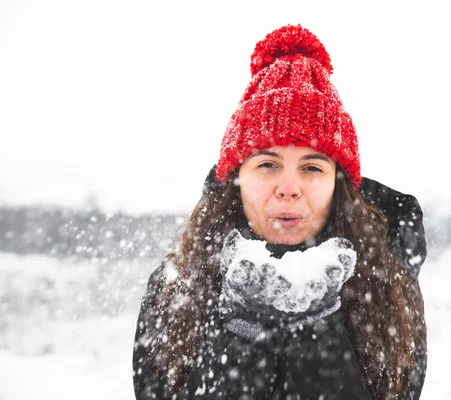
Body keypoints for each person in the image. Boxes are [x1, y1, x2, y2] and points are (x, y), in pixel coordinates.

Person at [132, 24, 427, 399]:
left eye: (312, 167)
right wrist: (240, 343)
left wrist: (318, 339)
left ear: (337, 186)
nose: (289, 187)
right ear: (237, 180)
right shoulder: (178, 287)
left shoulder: (387, 286)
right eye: (268, 164)